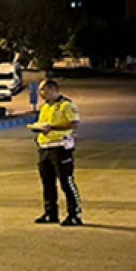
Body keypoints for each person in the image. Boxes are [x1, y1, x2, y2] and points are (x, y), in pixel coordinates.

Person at [32, 80, 83, 227]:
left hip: (61, 147)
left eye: (43, 91)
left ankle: (74, 214)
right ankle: (50, 213)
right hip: (45, 147)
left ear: (53, 89)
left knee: (66, 181)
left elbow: (74, 124)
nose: (41, 94)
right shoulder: (46, 107)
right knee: (47, 182)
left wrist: (53, 127)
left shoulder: (66, 105)